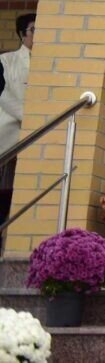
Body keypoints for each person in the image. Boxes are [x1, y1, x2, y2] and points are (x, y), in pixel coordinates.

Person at [0, 13, 35, 228]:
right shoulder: (6, 60)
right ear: (23, 35)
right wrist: (30, 118)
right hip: (9, 136)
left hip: (36, 139)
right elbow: (3, 95)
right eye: (34, 30)